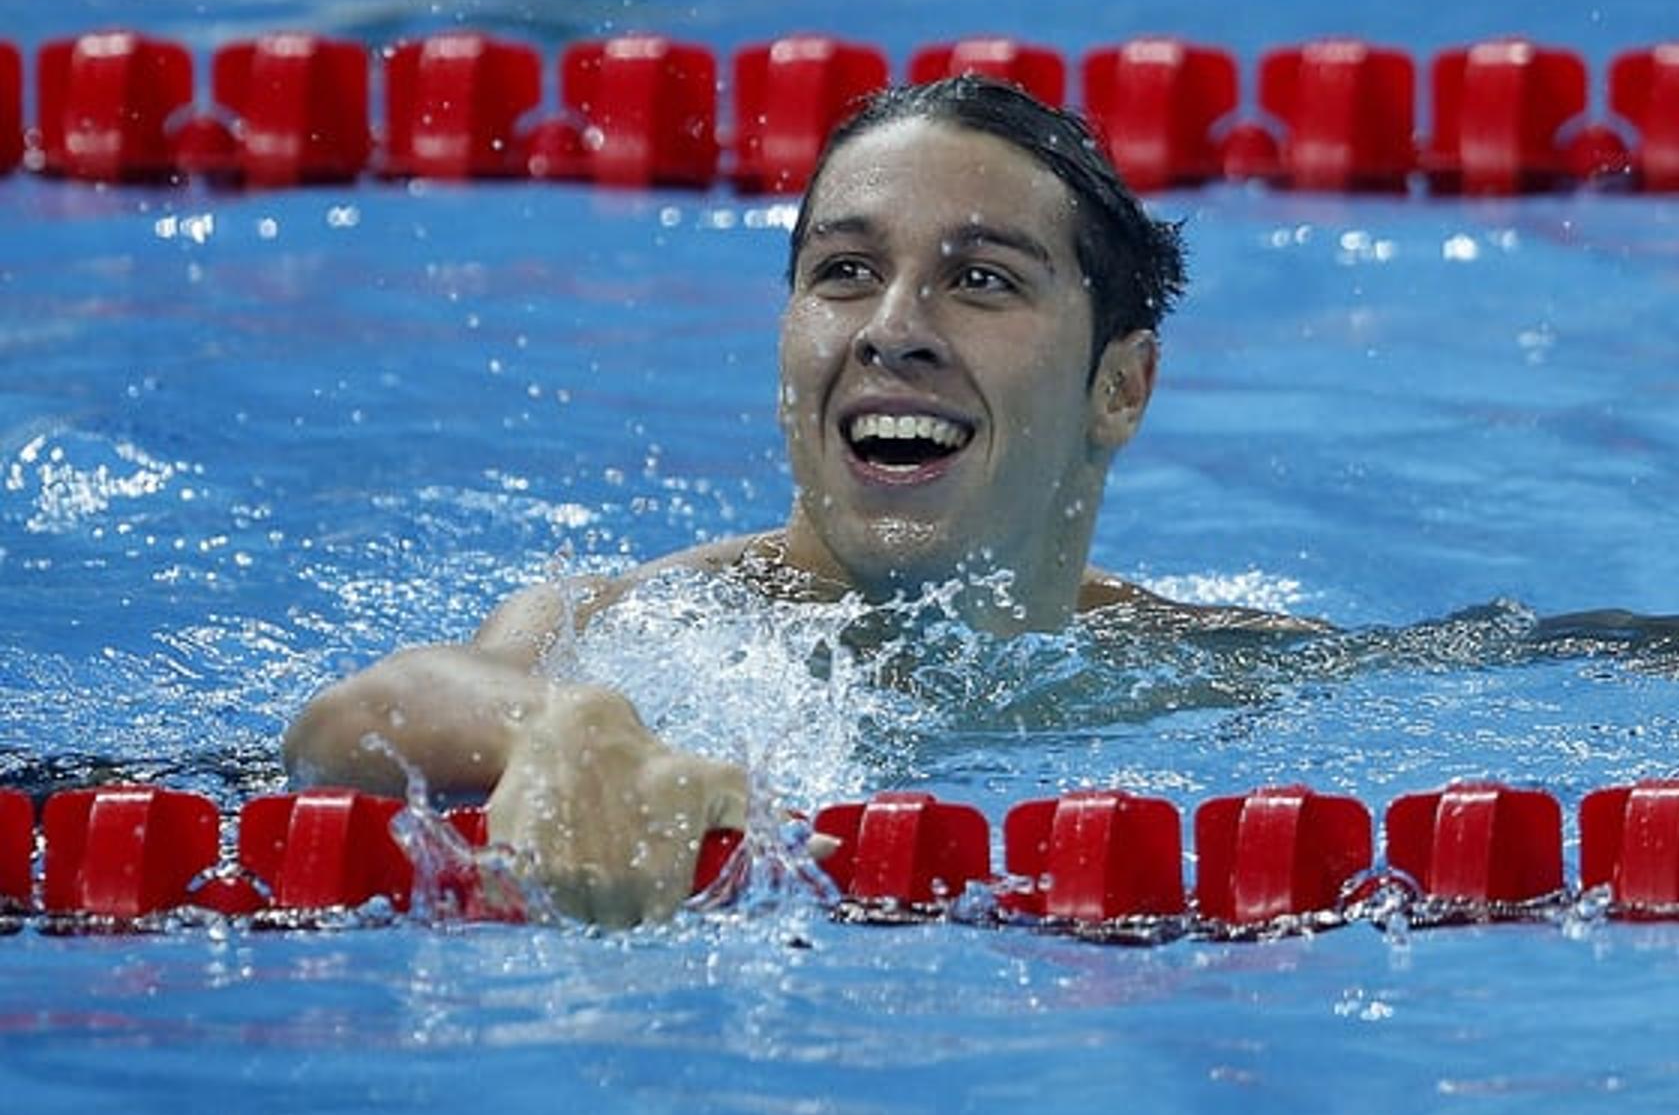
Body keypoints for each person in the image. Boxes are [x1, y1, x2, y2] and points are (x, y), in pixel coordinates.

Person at [284, 75, 1313, 926]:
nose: (892, 328)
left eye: (983, 280)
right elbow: (351, 723)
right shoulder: (627, 631)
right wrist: (556, 727)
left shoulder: (1221, 672)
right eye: (847, 271)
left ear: (1120, 388)